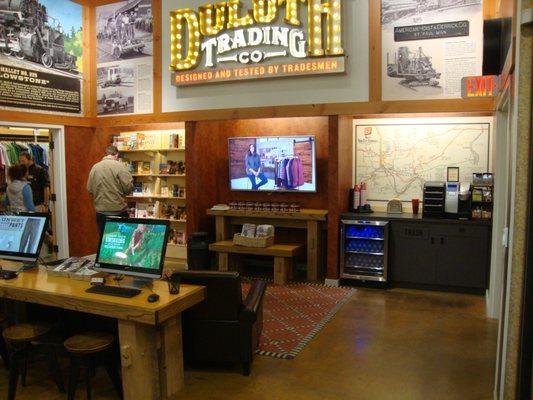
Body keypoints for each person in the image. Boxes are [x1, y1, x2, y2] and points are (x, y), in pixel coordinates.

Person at [87, 145, 133, 236]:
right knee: (120, 239)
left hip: (100, 212)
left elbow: (89, 189)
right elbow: (128, 188)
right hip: (118, 211)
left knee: (104, 240)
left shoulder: (95, 167)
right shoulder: (120, 166)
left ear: (107, 154)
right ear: (116, 155)